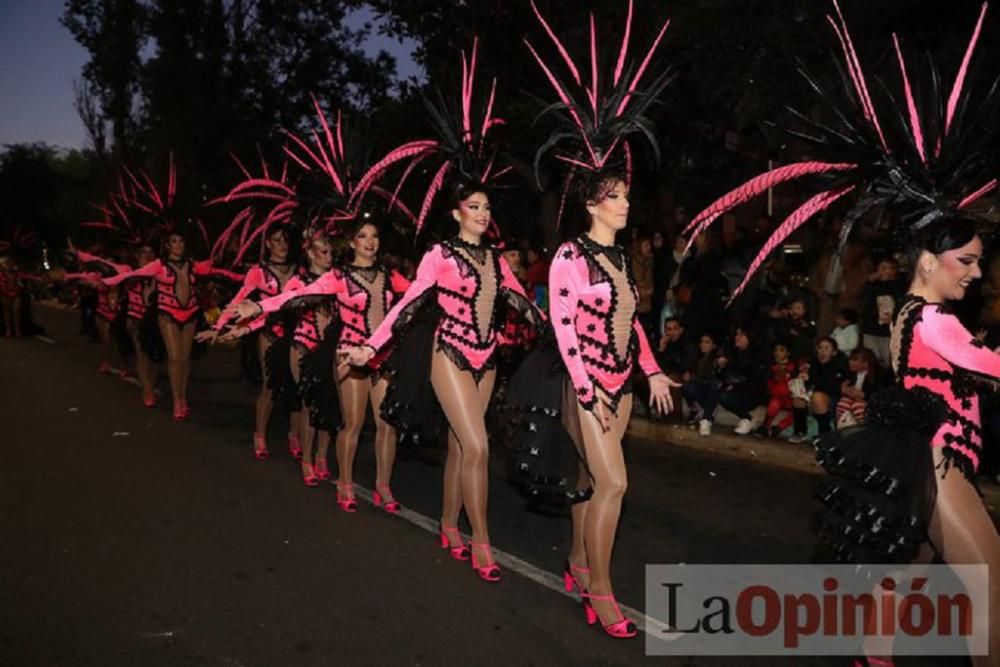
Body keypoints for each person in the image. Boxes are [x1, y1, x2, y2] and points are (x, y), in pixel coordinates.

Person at [343, 184, 543, 579]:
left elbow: (522, 302)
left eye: (487, 207)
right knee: (478, 447)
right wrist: (370, 347)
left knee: (460, 446)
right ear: (456, 214)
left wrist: (557, 336)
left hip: (486, 359)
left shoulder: (496, 259)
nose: (482, 214)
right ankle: (481, 541)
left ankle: (449, 523)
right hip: (448, 353)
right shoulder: (441, 254)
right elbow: (409, 302)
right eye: (474, 206)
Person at [204, 227, 297, 459]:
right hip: (268, 332)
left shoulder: (298, 270)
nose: (282, 245)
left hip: (296, 335)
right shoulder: (258, 271)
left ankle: (294, 435)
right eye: (277, 240)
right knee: (269, 386)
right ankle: (260, 434)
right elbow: (238, 300)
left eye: (285, 240)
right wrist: (219, 325)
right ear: (268, 244)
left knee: (297, 386)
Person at [717, 325, 768, 435]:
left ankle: (747, 418)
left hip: (751, 394)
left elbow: (757, 383)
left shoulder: (757, 357)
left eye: (741, 335)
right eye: (737, 334)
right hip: (735, 390)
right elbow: (725, 376)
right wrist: (720, 367)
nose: (737, 337)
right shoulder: (733, 353)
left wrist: (735, 386)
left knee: (725, 397)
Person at [859, 256, 906, 367]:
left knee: (890, 362)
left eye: (890, 268)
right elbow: (864, 302)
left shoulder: (900, 286)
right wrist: (871, 282)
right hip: (871, 330)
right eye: (883, 268)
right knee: (871, 362)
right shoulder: (870, 285)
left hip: (890, 332)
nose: (887, 271)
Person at [680, 332, 722, 435]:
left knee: (714, 386)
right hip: (699, 389)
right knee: (685, 386)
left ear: (713, 345)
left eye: (707, 342)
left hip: (711, 390)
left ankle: (706, 418)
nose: (703, 344)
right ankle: (696, 409)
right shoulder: (697, 358)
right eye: (702, 342)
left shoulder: (717, 359)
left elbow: (717, 379)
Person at [834, 346, 883, 428]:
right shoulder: (849, 373)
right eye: (850, 359)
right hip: (852, 401)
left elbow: (880, 394)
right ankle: (842, 430)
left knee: (857, 406)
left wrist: (864, 395)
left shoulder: (879, 374)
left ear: (866, 363)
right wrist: (843, 389)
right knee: (843, 402)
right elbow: (836, 386)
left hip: (869, 403)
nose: (850, 362)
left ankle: (863, 433)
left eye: (854, 360)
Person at [763, 341, 797, 437]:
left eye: (781, 350)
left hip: (790, 397)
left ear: (788, 353)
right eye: (776, 350)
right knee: (773, 406)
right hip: (777, 397)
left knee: (798, 411)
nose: (777, 353)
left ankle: (779, 427)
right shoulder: (771, 367)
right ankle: (765, 426)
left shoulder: (793, 367)